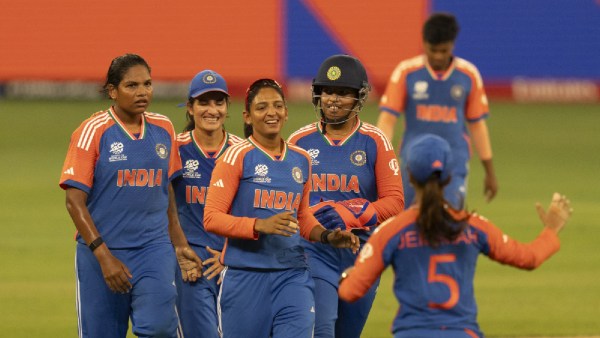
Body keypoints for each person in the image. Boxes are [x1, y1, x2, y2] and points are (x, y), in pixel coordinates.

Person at [338, 134, 572, 338]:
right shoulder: (473, 226)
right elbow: (529, 257)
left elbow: (351, 292)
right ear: (449, 177)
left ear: (409, 176)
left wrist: (348, 276)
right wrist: (551, 231)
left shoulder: (391, 231)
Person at [203, 78, 360, 338]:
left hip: (293, 276)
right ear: (248, 116)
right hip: (245, 277)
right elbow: (211, 218)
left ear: (286, 112)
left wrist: (328, 236)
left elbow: (302, 217)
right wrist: (258, 225)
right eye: (262, 107)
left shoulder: (302, 159)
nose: (271, 113)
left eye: (277, 106)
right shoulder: (236, 157)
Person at [59, 53, 201, 338]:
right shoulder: (93, 131)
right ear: (112, 91)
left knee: (161, 328)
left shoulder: (163, 128)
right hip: (103, 253)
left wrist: (179, 242)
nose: (142, 92)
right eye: (132, 85)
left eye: (147, 84)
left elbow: (167, 191)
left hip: (153, 250)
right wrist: (103, 256)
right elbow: (74, 202)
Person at [287, 54, 405, 338]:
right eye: (328, 91)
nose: (333, 99)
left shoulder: (375, 141)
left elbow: (395, 201)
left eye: (343, 93)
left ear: (359, 98)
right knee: (322, 330)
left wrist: (352, 213)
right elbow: (284, 199)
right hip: (314, 251)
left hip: (363, 256)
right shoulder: (299, 142)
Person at [376, 12, 498, 210]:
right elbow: (388, 119)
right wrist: (380, 159)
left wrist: (489, 172)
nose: (438, 56)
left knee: (450, 220)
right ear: (424, 43)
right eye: (433, 50)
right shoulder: (407, 72)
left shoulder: (468, 75)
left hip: (454, 160)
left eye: (444, 50)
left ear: (452, 45)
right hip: (412, 161)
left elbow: (477, 125)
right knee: (403, 219)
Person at [172, 69, 243, 338]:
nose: (211, 109)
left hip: (234, 261)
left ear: (227, 107)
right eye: (203, 102)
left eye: (218, 102)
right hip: (192, 263)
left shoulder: (243, 151)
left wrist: (229, 256)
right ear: (190, 108)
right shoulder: (174, 149)